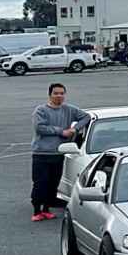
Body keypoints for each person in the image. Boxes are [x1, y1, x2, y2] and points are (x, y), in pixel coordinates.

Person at [30, 83, 88, 220]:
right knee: (40, 183)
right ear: (50, 95)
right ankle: (36, 210)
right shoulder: (41, 110)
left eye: (62, 93)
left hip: (58, 154)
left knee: (53, 183)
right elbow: (39, 128)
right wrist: (61, 131)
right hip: (41, 154)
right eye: (56, 93)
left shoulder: (69, 110)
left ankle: (46, 209)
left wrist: (75, 129)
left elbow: (86, 117)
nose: (59, 96)